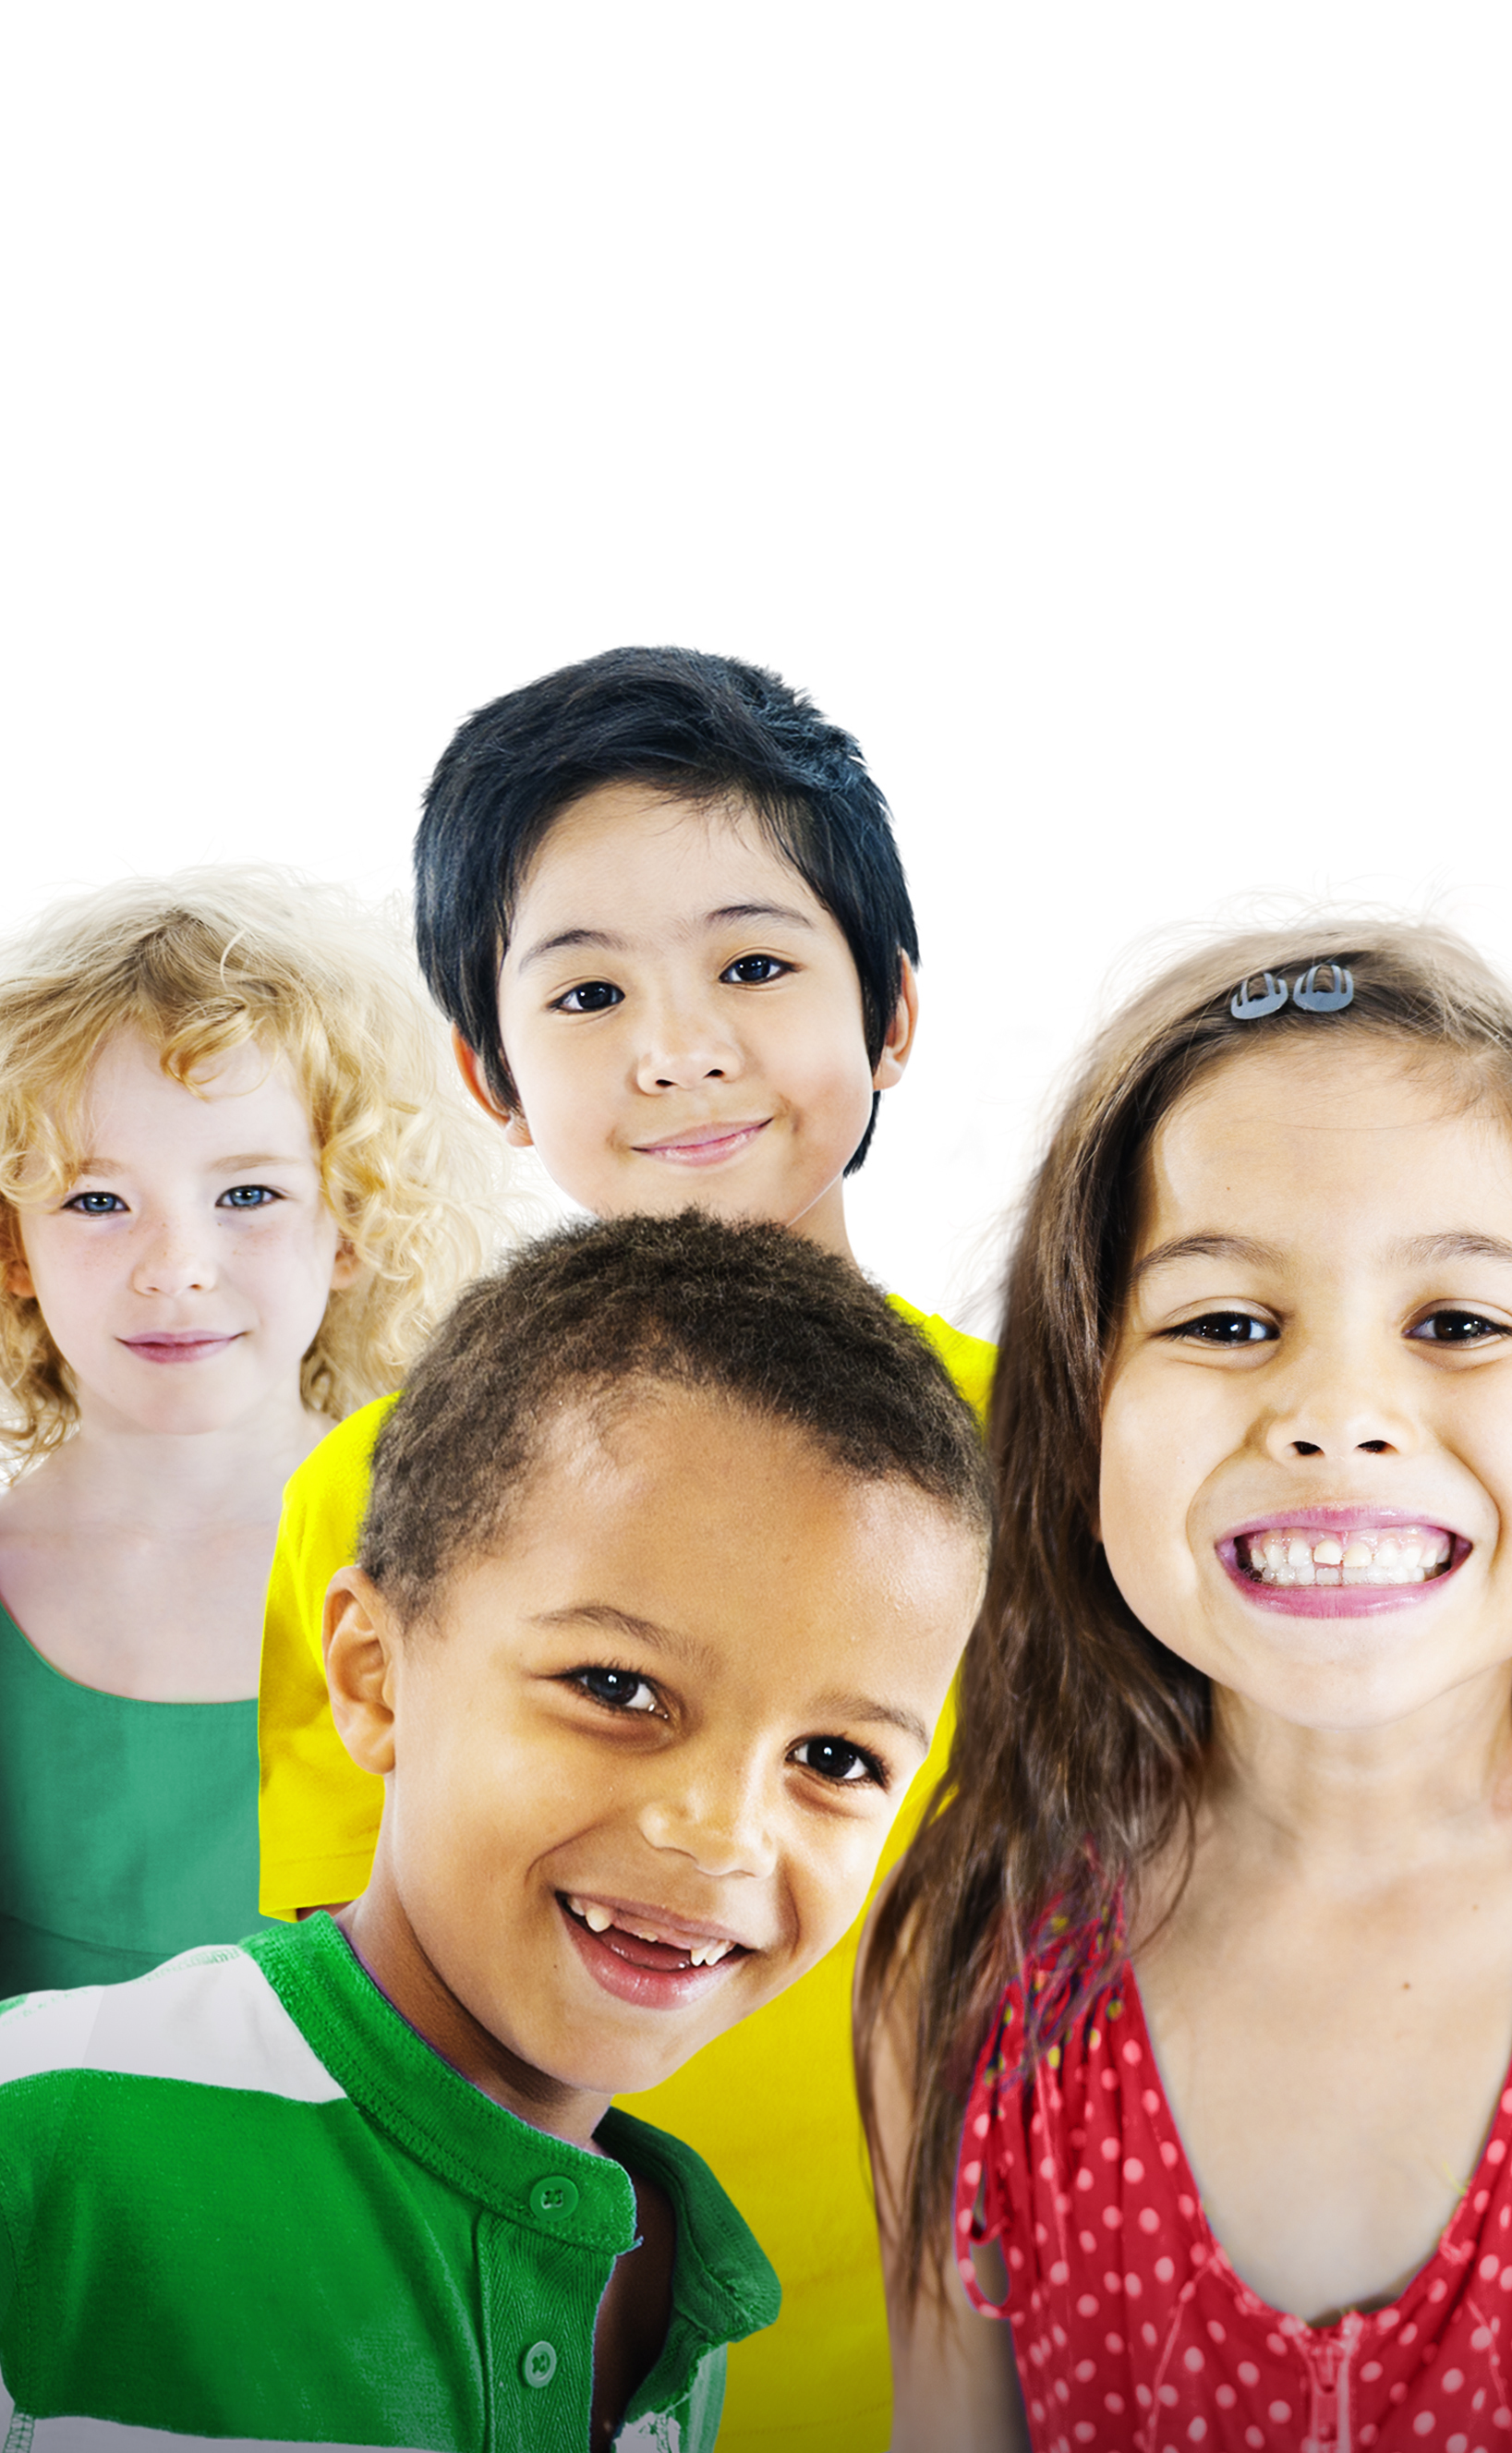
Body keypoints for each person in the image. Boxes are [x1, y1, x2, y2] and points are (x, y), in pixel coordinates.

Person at [860, 924, 1512, 2452]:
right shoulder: (981, 1948)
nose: (1337, 1417)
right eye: (1223, 1323)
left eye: (1459, 1324)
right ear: (1076, 1446)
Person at [248, 647, 994, 2447]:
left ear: (891, 1009)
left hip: (952, 2367)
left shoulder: (1061, 1446)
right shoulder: (374, 1491)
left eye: (753, 962)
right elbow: (334, 2012)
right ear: (487, 1070)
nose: (676, 1047)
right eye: (584, 991)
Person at [0, 1210, 988, 2448]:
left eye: (836, 1758)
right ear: (373, 1676)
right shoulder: (41, 2135)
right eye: (617, 1686)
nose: (720, 1831)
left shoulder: (687, 2292)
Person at [0, 870, 496, 1993]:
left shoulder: (469, 1566)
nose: (176, 1266)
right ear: (12, 1244)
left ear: (352, 1223)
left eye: (249, 1195)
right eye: (93, 1200)